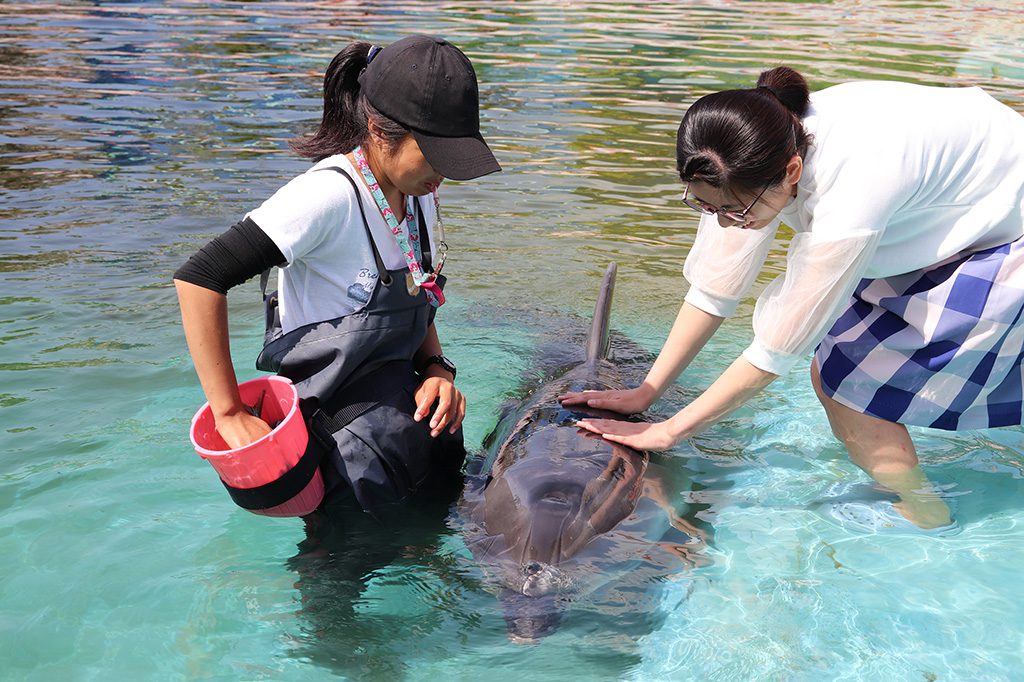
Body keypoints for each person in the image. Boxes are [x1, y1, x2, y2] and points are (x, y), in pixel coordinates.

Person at [563, 67, 1024, 529]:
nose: (724, 221)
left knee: (848, 388)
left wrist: (669, 430)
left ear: (793, 171)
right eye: (705, 206)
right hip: (943, 210)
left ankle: (926, 516)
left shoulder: (854, 186)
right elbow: (714, 288)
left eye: (734, 210)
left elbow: (778, 348)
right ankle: (912, 498)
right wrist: (648, 390)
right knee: (838, 373)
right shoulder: (739, 153)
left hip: (1004, 220)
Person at [174, 35, 501, 514]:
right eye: (434, 156)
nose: (443, 176)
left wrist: (437, 369)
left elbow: (419, 287)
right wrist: (228, 412)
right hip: (343, 460)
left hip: (411, 434)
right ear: (378, 128)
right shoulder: (328, 197)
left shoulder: (420, 194)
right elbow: (200, 277)